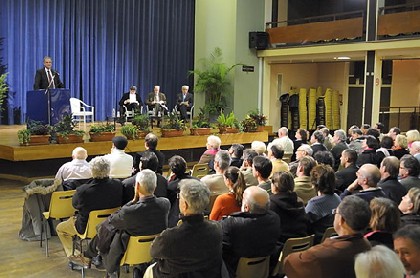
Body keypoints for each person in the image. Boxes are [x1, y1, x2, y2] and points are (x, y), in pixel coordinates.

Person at [84, 169, 170, 276]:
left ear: (137, 186)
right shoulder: (165, 204)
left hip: (127, 254)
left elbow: (111, 220)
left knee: (105, 229)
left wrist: (133, 201)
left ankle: (92, 254)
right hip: (153, 252)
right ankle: (92, 253)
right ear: (155, 186)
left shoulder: (129, 212)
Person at [146, 179, 223, 277]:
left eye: (179, 197)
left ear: (184, 205)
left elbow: (153, 252)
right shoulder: (217, 229)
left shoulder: (170, 236)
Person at [284, 195, 372, 278]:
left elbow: (290, 264)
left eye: (335, 212)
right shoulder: (367, 245)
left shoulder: (320, 256)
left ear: (341, 220)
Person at [56, 156, 123, 262]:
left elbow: (75, 205)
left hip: (87, 228)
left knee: (60, 228)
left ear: (91, 171)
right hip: (112, 226)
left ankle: (75, 256)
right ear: (109, 170)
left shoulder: (83, 190)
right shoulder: (118, 185)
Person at [221, 186, 280, 277]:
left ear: (246, 207)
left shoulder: (231, 224)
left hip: (234, 271)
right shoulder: (275, 219)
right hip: (265, 270)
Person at [270, 171, 308, 244]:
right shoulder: (299, 201)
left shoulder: (270, 204)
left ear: (275, 186)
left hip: (281, 247)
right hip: (302, 244)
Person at [306, 164, 341, 243]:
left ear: (314, 183)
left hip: (318, 242)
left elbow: (304, 224)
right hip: (334, 240)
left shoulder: (314, 203)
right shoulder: (337, 198)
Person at [167, 155, 199, 227]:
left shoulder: (170, 186)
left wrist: (169, 181)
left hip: (176, 220)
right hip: (197, 214)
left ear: (172, 171)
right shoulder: (197, 181)